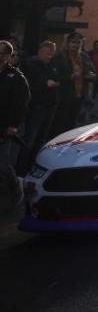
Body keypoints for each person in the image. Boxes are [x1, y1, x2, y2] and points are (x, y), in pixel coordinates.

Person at [18, 42, 64, 174]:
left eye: (51, 53)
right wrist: (45, 84)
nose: (49, 56)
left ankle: (34, 166)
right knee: (30, 139)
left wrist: (55, 81)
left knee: (41, 139)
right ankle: (21, 169)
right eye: (46, 52)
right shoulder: (31, 65)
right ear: (39, 52)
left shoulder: (53, 64)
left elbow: (61, 78)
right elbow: (28, 85)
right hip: (37, 105)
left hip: (51, 105)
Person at [50, 33, 96, 136]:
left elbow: (93, 71)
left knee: (72, 124)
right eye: (73, 42)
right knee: (59, 125)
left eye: (78, 42)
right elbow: (54, 76)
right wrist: (70, 77)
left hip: (79, 96)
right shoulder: (60, 57)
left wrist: (91, 76)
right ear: (68, 43)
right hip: (64, 96)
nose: (76, 45)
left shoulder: (84, 56)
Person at [1, 41, 30, 200]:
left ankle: (15, 187)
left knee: (3, 163)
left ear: (7, 56)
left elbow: (22, 102)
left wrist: (13, 125)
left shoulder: (16, 77)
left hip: (5, 125)